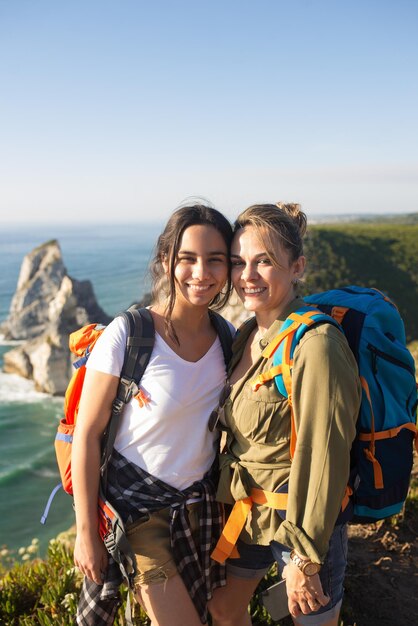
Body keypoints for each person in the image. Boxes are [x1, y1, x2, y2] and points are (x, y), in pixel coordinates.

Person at [71, 201, 234, 626]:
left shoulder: (228, 338)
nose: (201, 272)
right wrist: (86, 532)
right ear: (166, 261)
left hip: (201, 511)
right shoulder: (128, 334)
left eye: (215, 260)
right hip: (137, 513)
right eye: (187, 258)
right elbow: (87, 436)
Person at [208, 203, 361, 626]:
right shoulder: (245, 336)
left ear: (297, 267)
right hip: (250, 514)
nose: (247, 276)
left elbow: (323, 455)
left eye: (265, 262)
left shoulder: (317, 345)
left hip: (302, 525)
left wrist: (305, 558)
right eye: (239, 263)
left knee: (310, 620)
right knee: (223, 609)